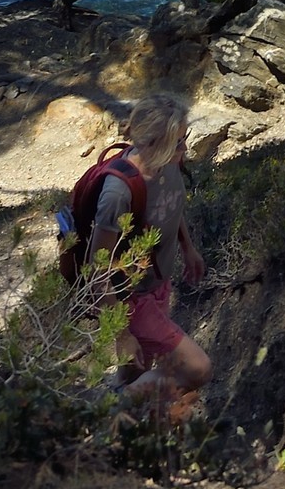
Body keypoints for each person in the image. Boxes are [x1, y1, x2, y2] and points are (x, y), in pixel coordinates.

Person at [88, 95, 210, 422]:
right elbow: (97, 267)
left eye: (185, 138)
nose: (185, 148)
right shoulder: (118, 193)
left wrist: (187, 246)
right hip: (130, 299)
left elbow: (169, 205)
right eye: (179, 141)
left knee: (137, 370)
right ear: (155, 143)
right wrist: (121, 333)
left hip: (158, 286)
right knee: (197, 368)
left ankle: (128, 435)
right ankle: (112, 409)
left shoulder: (168, 163)